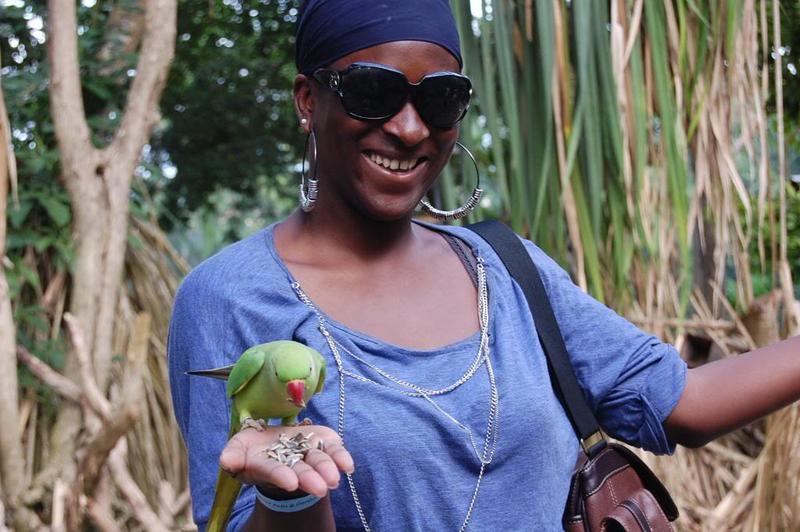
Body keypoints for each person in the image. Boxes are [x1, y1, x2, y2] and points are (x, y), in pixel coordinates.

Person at [167, 1, 800, 530]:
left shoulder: (502, 266)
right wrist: (291, 491)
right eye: (372, 93)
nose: (411, 129)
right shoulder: (231, 296)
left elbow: (679, 402)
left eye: (441, 99)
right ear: (308, 99)